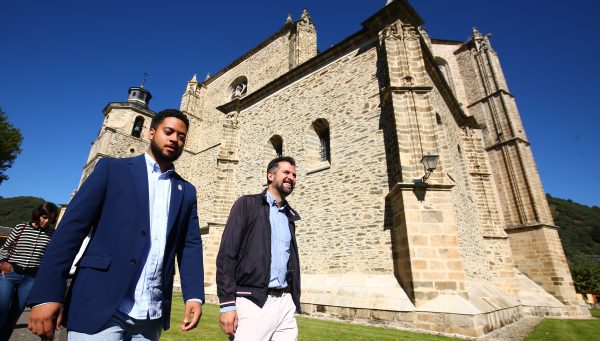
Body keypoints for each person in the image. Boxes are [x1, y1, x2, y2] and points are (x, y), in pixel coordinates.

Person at [27, 109, 205, 340]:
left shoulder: (187, 191)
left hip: (150, 314)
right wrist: (47, 294)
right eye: (168, 132)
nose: (174, 139)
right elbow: (70, 232)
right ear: (151, 132)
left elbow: (190, 245)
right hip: (100, 303)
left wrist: (194, 295)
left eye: (181, 136)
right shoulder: (112, 170)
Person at [217, 156, 301, 341]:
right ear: (270, 176)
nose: (291, 177)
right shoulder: (247, 204)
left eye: (294, 175)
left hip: (285, 303)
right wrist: (227, 304)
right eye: (286, 172)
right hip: (252, 302)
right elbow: (227, 255)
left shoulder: (290, 217)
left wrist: (293, 299)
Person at [0, 202, 59, 341]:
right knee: (1, 312)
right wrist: (3, 262)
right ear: (38, 215)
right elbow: (5, 248)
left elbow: (49, 256)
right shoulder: (21, 227)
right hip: (10, 274)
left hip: (31, 279)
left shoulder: (52, 234)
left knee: (14, 316)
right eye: (44, 217)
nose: (46, 221)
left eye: (50, 219)